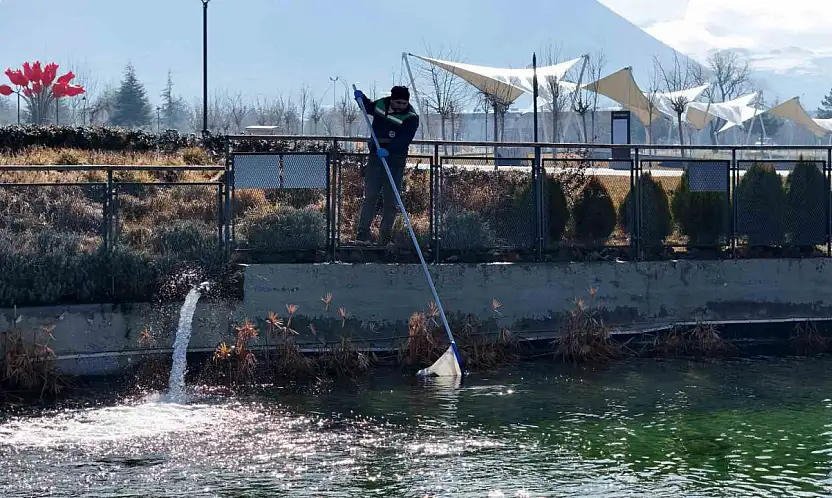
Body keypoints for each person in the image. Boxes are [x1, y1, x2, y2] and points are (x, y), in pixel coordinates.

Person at [353, 85, 420, 245]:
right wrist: (361, 99)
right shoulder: (381, 105)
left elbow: (404, 139)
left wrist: (389, 150)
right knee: (370, 196)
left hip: (395, 159)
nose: (400, 107)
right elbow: (368, 108)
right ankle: (363, 234)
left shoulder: (411, 117)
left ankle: (385, 238)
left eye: (404, 103)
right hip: (376, 158)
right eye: (397, 103)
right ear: (391, 99)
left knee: (391, 200)